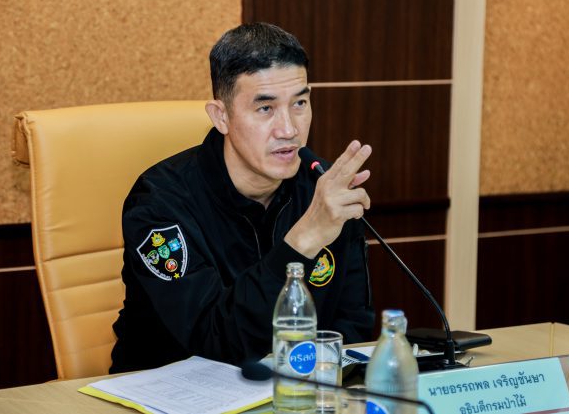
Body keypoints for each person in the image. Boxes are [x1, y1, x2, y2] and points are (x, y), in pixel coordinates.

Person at [110, 22, 374, 373]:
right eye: (265, 109)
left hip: (296, 390)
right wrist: (303, 239)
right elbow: (215, 341)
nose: (289, 129)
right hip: (171, 392)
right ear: (221, 116)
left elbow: (353, 326)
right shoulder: (159, 203)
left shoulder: (323, 188)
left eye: (300, 103)